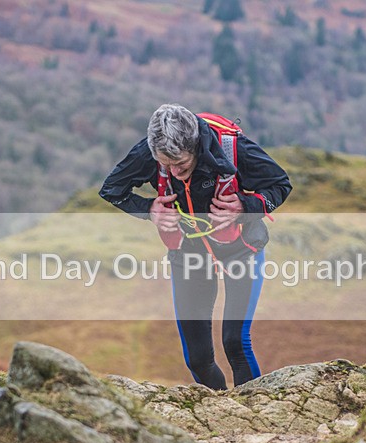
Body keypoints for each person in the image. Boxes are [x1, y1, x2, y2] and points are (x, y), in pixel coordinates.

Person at [100, 104, 291, 389]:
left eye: (182, 165)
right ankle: (219, 418)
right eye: (166, 165)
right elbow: (112, 190)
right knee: (198, 358)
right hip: (188, 253)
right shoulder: (150, 152)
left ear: (197, 149)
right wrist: (148, 209)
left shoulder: (233, 148)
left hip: (241, 247)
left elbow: (280, 184)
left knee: (235, 342)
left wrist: (245, 206)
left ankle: (253, 414)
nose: (174, 173)